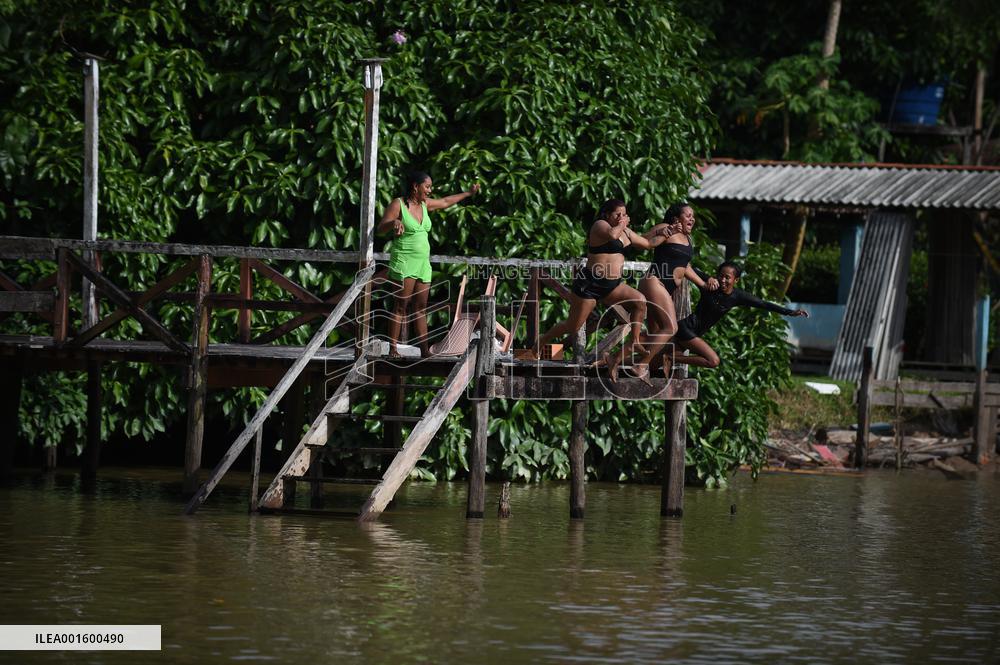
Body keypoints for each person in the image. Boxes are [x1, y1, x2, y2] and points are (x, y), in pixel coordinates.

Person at [532, 199, 658, 381]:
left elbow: (648, 243)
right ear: (607, 214)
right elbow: (613, 235)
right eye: (618, 215)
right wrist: (622, 225)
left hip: (612, 286)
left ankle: (635, 342)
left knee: (640, 301)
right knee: (573, 326)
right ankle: (541, 343)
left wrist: (664, 232)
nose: (622, 218)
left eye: (624, 214)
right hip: (590, 284)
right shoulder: (600, 225)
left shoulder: (625, 231)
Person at [377, 172, 481, 357]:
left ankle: (425, 351)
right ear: (415, 186)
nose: (430, 190)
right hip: (404, 261)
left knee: (420, 307)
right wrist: (394, 222)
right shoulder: (398, 204)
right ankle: (393, 349)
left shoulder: (425, 205)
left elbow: (445, 201)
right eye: (427, 187)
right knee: (401, 306)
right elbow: (381, 228)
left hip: (423, 264)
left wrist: (467, 194)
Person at [672, 261, 808, 369]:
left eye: (727, 277)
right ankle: (671, 358)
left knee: (658, 365)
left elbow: (763, 304)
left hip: (695, 334)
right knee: (713, 361)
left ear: (736, 280)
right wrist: (708, 279)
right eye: (720, 276)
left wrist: (790, 312)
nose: (723, 280)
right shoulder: (711, 284)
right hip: (686, 329)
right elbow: (686, 267)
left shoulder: (737, 296)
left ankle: (668, 359)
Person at [636, 202, 717, 378]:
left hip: (665, 289)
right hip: (654, 282)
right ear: (676, 218)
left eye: (692, 216)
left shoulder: (687, 239)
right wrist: (662, 231)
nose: (692, 219)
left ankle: (613, 359)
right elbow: (642, 240)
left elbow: (685, 266)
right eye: (688, 215)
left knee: (655, 335)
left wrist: (702, 284)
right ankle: (641, 365)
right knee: (671, 328)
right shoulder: (666, 227)